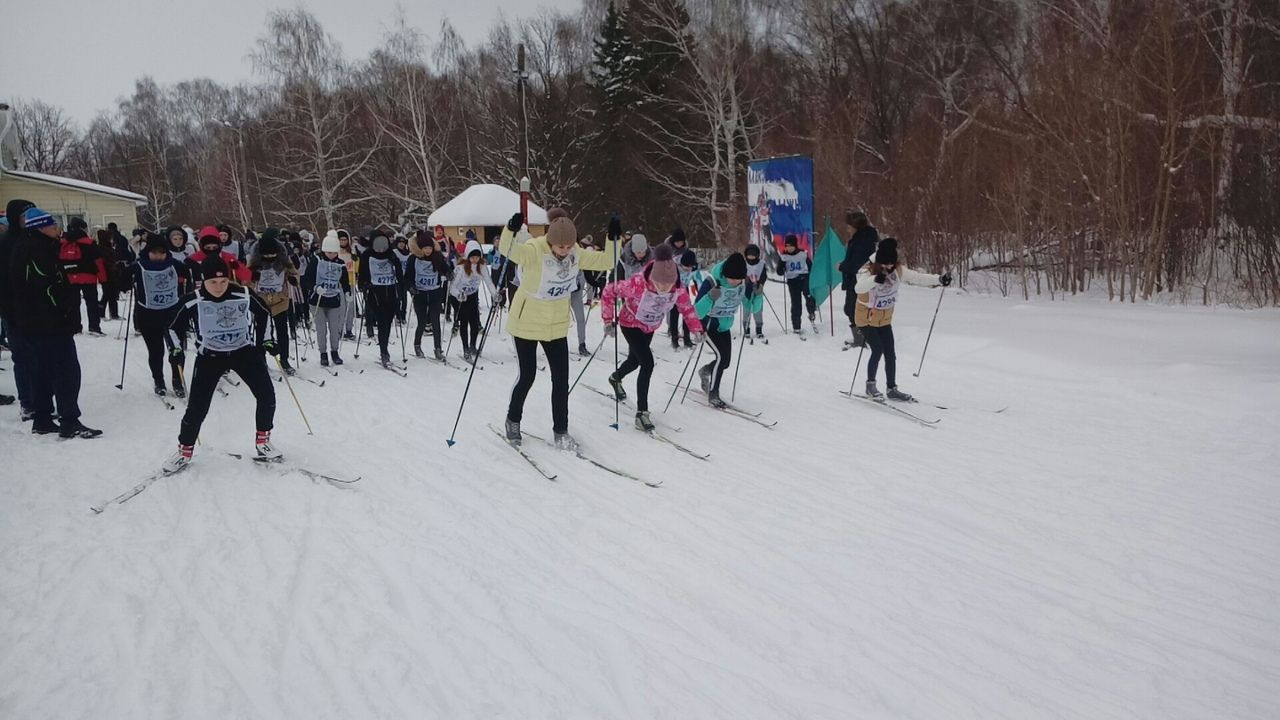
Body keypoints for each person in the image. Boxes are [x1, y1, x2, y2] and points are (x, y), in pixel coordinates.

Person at [497, 210, 618, 449]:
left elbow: (608, 261)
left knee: (561, 380)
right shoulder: (533, 250)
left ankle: (561, 430)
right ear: (550, 241)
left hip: (555, 327)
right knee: (527, 375)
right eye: (560, 247)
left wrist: (613, 239)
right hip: (526, 325)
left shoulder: (576, 254)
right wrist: (510, 230)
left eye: (568, 246)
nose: (564, 251)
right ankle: (513, 420)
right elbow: (509, 251)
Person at [164, 255, 279, 472]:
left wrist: (266, 340)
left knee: (266, 395)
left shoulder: (243, 294)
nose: (219, 287)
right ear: (203, 281)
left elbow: (264, 312)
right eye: (213, 282)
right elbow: (171, 325)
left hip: (243, 351)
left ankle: (263, 442)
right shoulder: (194, 299)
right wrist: (176, 349)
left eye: (223, 281)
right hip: (210, 355)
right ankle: (184, 451)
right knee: (198, 408)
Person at [7, 207, 102, 438]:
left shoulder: (24, 246)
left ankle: (42, 419)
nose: (57, 229)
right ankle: (69, 420)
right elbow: (48, 286)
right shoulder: (38, 249)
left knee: (41, 371)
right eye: (52, 226)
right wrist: (66, 308)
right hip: (49, 322)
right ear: (40, 227)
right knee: (66, 370)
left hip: (32, 322)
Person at [602, 244, 703, 431]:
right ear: (652, 278)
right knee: (647, 362)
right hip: (630, 324)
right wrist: (608, 319)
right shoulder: (637, 284)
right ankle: (642, 413)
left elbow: (687, 308)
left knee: (634, 361)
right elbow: (609, 291)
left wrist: (696, 328)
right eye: (660, 284)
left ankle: (615, 378)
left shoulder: (678, 289)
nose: (664, 288)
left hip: (649, 327)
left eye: (669, 284)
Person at [853, 237, 951, 401]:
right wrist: (874, 280)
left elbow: (917, 277)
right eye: (886, 264)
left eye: (892, 263)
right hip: (866, 319)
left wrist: (938, 280)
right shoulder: (867, 270)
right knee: (877, 350)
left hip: (884, 318)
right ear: (879, 261)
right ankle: (870, 386)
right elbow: (858, 287)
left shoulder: (897, 270)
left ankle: (892, 389)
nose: (890, 267)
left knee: (890, 353)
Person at [131, 232, 191, 397]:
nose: (158, 256)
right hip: (148, 316)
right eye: (154, 252)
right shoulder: (139, 266)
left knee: (176, 349)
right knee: (156, 352)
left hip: (173, 314)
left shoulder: (174, 264)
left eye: (162, 252)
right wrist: (123, 273)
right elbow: (122, 283)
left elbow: (189, 275)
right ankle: (159, 381)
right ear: (148, 251)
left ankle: (178, 381)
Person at [693, 251, 748, 409]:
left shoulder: (742, 284)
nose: (734, 282)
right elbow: (696, 312)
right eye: (732, 279)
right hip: (708, 325)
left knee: (726, 362)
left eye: (738, 280)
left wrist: (756, 296)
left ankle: (705, 371)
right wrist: (710, 297)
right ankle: (713, 393)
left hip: (724, 326)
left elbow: (751, 305)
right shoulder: (711, 281)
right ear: (725, 274)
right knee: (721, 356)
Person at [248, 229, 301, 375]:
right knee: (261, 331)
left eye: (272, 254)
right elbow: (245, 281)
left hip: (280, 299)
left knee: (282, 330)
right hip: (261, 300)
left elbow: (294, 273)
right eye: (266, 255)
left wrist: (293, 280)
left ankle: (284, 359)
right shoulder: (254, 260)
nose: (270, 257)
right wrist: (251, 278)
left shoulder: (284, 258)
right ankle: (261, 359)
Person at [1, 200, 37, 415]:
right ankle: (27, 402)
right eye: (25, 216)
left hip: (38, 310)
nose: (28, 220)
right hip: (13, 310)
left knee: (39, 357)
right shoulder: (6, 243)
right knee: (22, 357)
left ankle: (41, 399)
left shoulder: (34, 239)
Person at [302, 230, 352, 366]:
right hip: (317, 300)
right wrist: (315, 288)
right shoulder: (316, 260)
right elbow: (306, 280)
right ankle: (323, 353)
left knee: (334, 327)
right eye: (329, 253)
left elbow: (345, 281)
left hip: (333, 299)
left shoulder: (340, 263)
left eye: (334, 253)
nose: (331, 255)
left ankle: (334, 352)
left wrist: (347, 292)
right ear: (324, 250)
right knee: (321, 328)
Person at [357, 230, 405, 366]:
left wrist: (401, 289)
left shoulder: (392, 254)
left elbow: (399, 273)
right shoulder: (367, 255)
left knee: (388, 322)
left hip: (391, 291)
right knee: (381, 320)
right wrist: (364, 284)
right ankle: (384, 351)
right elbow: (362, 274)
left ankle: (384, 347)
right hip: (375, 293)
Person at [404, 230, 452, 361]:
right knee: (422, 322)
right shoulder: (413, 259)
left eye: (430, 248)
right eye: (425, 248)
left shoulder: (437, 256)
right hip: (420, 294)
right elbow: (407, 277)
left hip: (435, 292)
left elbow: (445, 268)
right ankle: (417, 345)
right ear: (421, 248)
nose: (428, 251)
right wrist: (411, 288)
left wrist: (448, 273)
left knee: (436, 322)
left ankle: (437, 348)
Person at [449, 239, 496, 363]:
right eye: (472, 257)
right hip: (460, 298)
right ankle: (465, 348)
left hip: (472, 296)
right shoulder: (460, 268)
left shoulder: (482, 267)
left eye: (477, 257)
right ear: (468, 256)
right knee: (464, 322)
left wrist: (495, 295)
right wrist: (459, 295)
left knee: (474, 322)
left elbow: (488, 282)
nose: (475, 259)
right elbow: (452, 287)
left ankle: (473, 345)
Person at [59, 218, 107, 335]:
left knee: (73, 303)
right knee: (91, 303)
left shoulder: (63, 242)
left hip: (70, 276)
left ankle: (75, 327)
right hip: (88, 276)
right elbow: (98, 262)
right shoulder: (89, 243)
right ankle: (94, 327)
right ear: (83, 228)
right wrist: (103, 279)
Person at [839, 210, 879, 348]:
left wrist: (842, 266)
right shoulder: (860, 239)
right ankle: (860, 338)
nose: (847, 229)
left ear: (856, 226)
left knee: (853, 310)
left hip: (859, 282)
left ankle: (862, 340)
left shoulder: (863, 241)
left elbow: (858, 264)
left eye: (849, 226)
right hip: (854, 281)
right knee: (851, 309)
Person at [778, 234, 817, 335]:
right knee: (796, 303)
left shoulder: (802, 254)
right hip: (792, 281)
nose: (789, 248)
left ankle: (811, 312)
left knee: (809, 295)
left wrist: (811, 274)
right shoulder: (784, 256)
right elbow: (779, 272)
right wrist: (782, 267)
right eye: (787, 246)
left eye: (791, 246)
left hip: (803, 278)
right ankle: (796, 326)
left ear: (795, 245)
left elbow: (810, 265)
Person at [668, 248, 700, 349]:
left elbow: (698, 280)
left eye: (691, 267)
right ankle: (674, 339)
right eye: (686, 267)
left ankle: (687, 338)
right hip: (673, 290)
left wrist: (700, 291)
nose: (689, 269)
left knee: (687, 313)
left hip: (684, 289)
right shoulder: (673, 265)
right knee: (674, 314)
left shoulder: (693, 267)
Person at [741, 243, 769, 342]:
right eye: (749, 255)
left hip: (758, 290)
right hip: (746, 291)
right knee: (746, 310)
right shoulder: (743, 263)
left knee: (758, 310)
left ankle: (759, 328)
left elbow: (764, 275)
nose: (751, 257)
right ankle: (746, 329)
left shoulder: (761, 264)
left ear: (757, 255)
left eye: (753, 255)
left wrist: (761, 284)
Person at [336, 229, 358, 340]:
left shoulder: (352, 251)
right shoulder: (336, 252)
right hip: (340, 283)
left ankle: (349, 329)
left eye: (345, 240)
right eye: (341, 240)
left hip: (351, 281)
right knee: (342, 307)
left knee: (350, 307)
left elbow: (356, 265)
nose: (343, 242)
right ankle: (339, 330)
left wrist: (356, 261)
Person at [392, 235, 411, 325]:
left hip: (405, 278)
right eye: (400, 243)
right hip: (396, 278)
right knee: (397, 298)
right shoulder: (394, 252)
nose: (401, 245)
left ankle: (403, 315)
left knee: (404, 298)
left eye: (403, 243)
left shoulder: (408, 253)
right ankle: (398, 315)